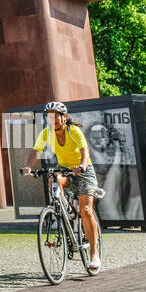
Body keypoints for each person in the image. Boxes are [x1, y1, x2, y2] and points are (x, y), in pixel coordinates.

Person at [21, 101, 103, 271]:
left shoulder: (73, 131)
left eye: (57, 116)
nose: (54, 119)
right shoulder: (46, 133)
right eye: (51, 116)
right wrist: (29, 166)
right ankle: (61, 211)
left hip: (84, 170)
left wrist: (82, 165)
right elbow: (36, 151)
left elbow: (84, 150)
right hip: (66, 170)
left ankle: (94, 255)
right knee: (53, 177)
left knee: (85, 210)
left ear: (64, 118)